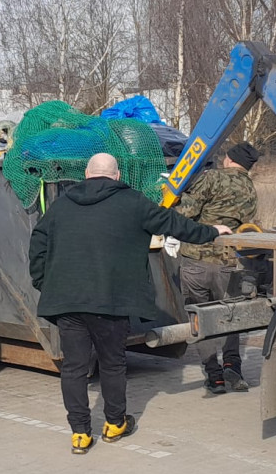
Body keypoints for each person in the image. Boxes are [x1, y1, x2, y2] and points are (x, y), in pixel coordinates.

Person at [29, 153, 229, 454]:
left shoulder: (62, 204)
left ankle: (80, 433)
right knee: (112, 363)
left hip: (67, 300)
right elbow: (174, 224)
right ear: (117, 175)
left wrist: (44, 282)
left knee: (74, 367)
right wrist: (212, 232)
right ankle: (114, 424)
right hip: (112, 300)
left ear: (87, 174)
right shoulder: (133, 202)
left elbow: (37, 243)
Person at [175, 142, 260, 393]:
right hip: (228, 263)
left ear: (230, 159)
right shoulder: (250, 188)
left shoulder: (211, 178)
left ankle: (214, 376)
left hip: (196, 260)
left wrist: (171, 200)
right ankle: (233, 366)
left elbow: (186, 212)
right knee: (230, 317)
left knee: (200, 318)